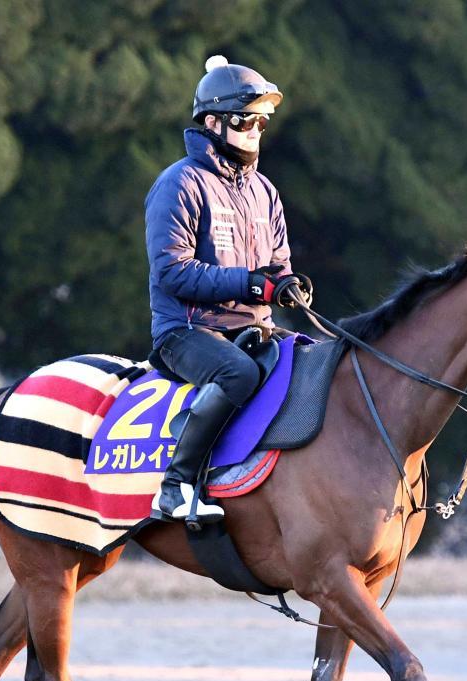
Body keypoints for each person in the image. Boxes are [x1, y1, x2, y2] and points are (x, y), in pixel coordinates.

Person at [145, 55, 310, 524]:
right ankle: (176, 487)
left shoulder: (265, 191)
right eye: (246, 118)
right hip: (187, 331)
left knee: (317, 360)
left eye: (262, 120)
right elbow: (171, 272)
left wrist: (284, 285)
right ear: (213, 122)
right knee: (238, 375)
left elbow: (277, 266)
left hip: (255, 328)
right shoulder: (179, 183)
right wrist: (250, 283)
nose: (256, 128)